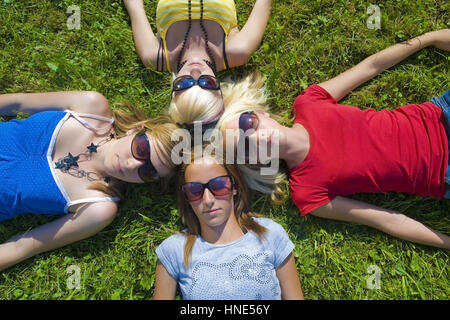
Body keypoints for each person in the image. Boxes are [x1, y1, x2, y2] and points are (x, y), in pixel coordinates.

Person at [215, 29, 450, 249]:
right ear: (255, 163)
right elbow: (385, 220)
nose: (255, 138)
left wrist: (428, 39)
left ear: (259, 114)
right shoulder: (308, 192)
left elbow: (370, 67)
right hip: (444, 172)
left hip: (441, 115)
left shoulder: (308, 103)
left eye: (247, 124)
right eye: (245, 147)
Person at [0, 91, 179, 270]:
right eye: (141, 149)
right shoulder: (92, 106)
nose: (132, 165)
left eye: (148, 171)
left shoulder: (98, 207)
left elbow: (23, 246)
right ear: (137, 129)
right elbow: (17, 102)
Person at [153, 147, 303, 299]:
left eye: (218, 185)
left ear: (234, 186)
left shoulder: (269, 234)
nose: (208, 200)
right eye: (194, 190)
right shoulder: (174, 250)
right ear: (186, 197)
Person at [123, 0, 273, 125]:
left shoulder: (155, 57)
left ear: (173, 91)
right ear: (219, 89)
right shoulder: (238, 51)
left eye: (185, 83)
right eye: (206, 83)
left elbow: (134, 5)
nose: (195, 72)